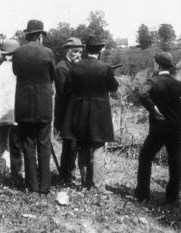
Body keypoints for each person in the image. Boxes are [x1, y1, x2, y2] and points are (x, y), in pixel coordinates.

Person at [135, 52, 181, 205]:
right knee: (175, 161)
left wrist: (153, 108)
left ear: (158, 65)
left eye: (154, 63)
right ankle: (172, 198)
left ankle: (142, 195)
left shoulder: (153, 81)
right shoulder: (178, 83)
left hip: (159, 129)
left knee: (145, 157)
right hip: (176, 128)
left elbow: (142, 94)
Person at [61, 35, 119, 192]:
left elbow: (69, 88)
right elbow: (113, 88)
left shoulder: (75, 68)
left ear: (86, 50)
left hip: (80, 113)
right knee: (98, 148)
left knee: (83, 147)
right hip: (99, 115)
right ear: (99, 51)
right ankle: (98, 186)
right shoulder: (105, 68)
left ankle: (85, 183)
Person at [12, 19, 56, 194]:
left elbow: (16, 72)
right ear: (39, 36)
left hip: (24, 105)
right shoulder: (48, 53)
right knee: (44, 144)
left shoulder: (18, 53)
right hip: (43, 104)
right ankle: (45, 186)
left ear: (27, 35)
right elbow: (52, 74)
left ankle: (32, 185)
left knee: (28, 144)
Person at [0, 39, 23, 188]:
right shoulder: (20, 73)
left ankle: (3, 172)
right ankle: (16, 174)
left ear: (3, 55)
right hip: (16, 114)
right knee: (16, 146)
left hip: (0, 114)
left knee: (1, 146)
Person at [54, 37, 84, 184]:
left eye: (80, 52)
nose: (79, 55)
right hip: (66, 114)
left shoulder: (73, 66)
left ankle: (69, 174)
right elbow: (63, 92)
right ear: (68, 51)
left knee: (74, 146)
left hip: (76, 113)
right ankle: (65, 177)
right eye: (75, 51)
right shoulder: (62, 68)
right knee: (69, 147)